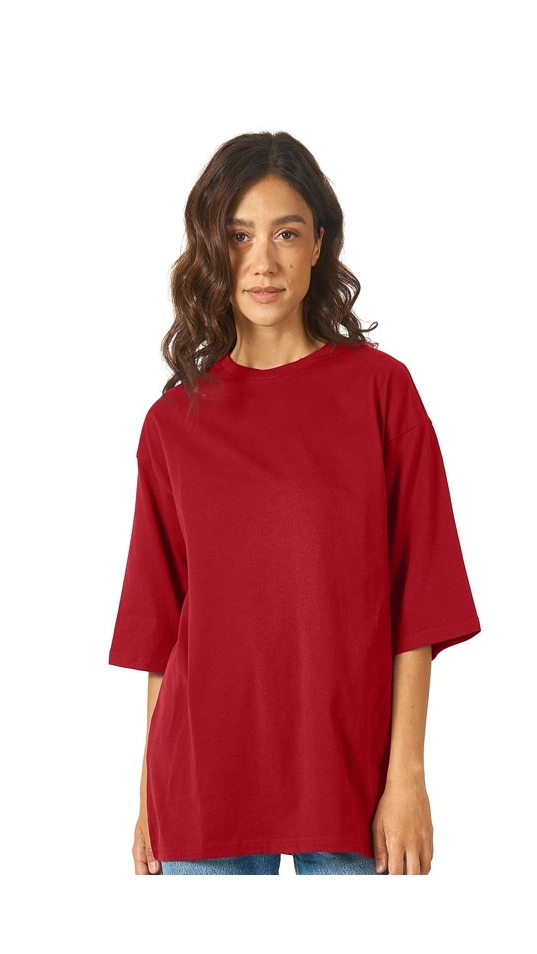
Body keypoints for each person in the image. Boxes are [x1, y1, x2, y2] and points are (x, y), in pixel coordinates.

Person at [108, 131, 481, 876]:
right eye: (238, 236)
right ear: (212, 251)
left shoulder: (382, 393)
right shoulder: (172, 423)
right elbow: (163, 629)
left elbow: (421, 600)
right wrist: (150, 793)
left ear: (320, 244)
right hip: (203, 779)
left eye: (286, 233)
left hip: (350, 777)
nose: (263, 262)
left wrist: (407, 777)